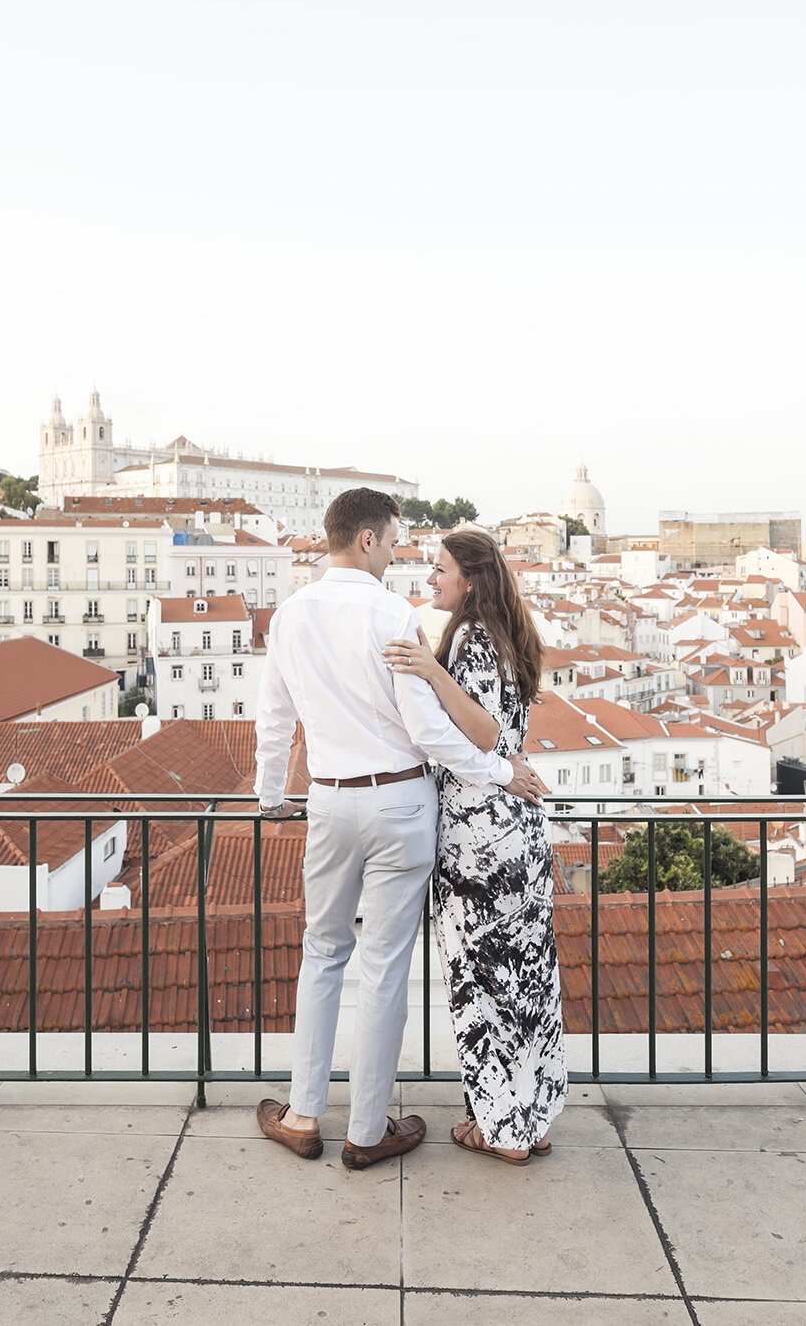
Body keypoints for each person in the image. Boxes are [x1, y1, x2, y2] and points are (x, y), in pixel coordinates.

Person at [254, 488, 549, 1170]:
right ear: (366, 540)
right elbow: (428, 731)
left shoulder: (290, 614)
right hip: (401, 804)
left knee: (322, 954)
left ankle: (302, 1115)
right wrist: (506, 774)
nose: (398, 551)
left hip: (328, 800)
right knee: (384, 968)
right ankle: (365, 1131)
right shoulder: (393, 614)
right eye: (392, 540)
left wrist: (271, 799)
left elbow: (274, 719)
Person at [382, 528, 567, 1164]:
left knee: (482, 982)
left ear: (471, 580)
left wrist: (430, 668)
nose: (431, 581)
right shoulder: (512, 637)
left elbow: (485, 733)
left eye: (440, 571)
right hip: (518, 831)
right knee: (527, 982)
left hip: (477, 834)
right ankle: (528, 1120)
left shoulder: (469, 638)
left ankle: (498, 1129)